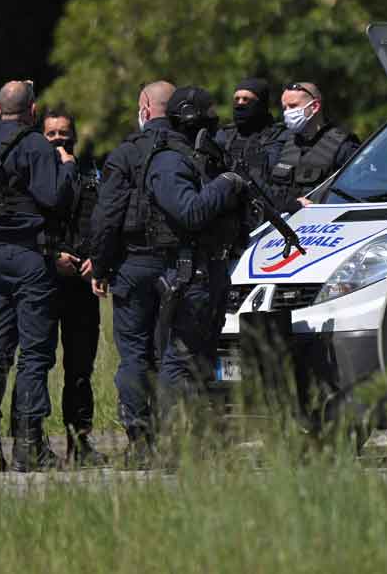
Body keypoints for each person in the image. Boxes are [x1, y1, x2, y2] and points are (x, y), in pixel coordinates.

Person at [0, 80, 76, 472]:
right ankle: (29, 445)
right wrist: (68, 170)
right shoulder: (36, 147)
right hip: (30, 256)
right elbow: (52, 198)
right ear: (33, 111)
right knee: (35, 351)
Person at [144, 86, 245, 437]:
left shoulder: (196, 157)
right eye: (209, 113)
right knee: (180, 357)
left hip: (211, 271)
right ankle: (176, 440)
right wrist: (225, 184)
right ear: (189, 117)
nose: (216, 120)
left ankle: (199, 436)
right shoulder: (169, 162)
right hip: (189, 275)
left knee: (202, 358)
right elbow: (190, 212)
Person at [88, 80, 175, 466]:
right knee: (174, 354)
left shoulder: (125, 154)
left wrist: (101, 266)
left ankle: (141, 442)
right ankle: (179, 438)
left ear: (144, 107)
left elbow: (107, 216)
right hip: (181, 267)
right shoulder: (191, 149)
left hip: (134, 264)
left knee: (135, 355)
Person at [40, 107, 108, 467]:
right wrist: (53, 256)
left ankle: (79, 443)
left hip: (83, 281)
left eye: (64, 133)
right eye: (51, 134)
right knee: (36, 363)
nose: (58, 140)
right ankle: (30, 441)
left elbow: (104, 220)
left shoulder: (91, 172)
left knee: (80, 368)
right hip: (47, 279)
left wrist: (98, 260)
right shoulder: (34, 174)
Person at [215, 77, 288, 242]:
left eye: (247, 99)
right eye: (237, 99)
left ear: (260, 103)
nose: (240, 104)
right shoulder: (223, 136)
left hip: (266, 221)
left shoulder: (279, 137)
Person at [269, 82, 359, 214]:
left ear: (315, 106)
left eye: (293, 106)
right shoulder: (282, 142)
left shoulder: (344, 146)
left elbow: (353, 194)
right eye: (285, 108)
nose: (287, 113)